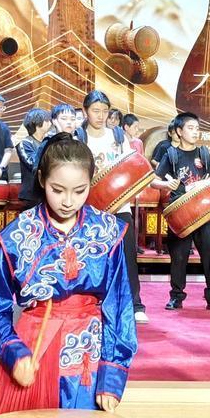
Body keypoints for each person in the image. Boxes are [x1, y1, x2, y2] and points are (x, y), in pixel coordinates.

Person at [0, 135, 137, 415]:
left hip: (89, 353)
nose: (68, 201)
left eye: (79, 191)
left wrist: (112, 375)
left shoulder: (107, 232)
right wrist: (14, 352)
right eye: (57, 190)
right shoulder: (17, 236)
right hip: (34, 350)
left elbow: (119, 306)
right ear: (41, 179)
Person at [78, 91, 147, 324]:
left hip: (120, 204)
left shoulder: (117, 135)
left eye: (105, 111)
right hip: (91, 206)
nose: (100, 116)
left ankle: (135, 304)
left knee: (127, 255)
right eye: (95, 111)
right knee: (91, 254)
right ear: (85, 111)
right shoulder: (79, 136)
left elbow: (130, 165)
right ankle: (90, 301)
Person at [156, 113, 210, 313]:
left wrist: (201, 184)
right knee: (179, 256)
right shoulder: (171, 155)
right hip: (180, 212)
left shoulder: (203, 153)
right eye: (190, 128)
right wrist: (166, 184)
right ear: (179, 131)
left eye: (197, 128)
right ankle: (176, 296)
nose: (195, 132)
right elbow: (154, 180)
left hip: (203, 211)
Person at [16, 108, 51, 207]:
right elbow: (32, 163)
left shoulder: (47, 142)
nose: (50, 123)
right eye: (46, 120)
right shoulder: (25, 143)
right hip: (31, 194)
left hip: (46, 192)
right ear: (37, 123)